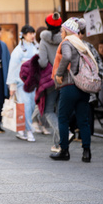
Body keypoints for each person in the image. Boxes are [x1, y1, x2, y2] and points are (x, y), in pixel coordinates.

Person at [50, 17, 96, 162]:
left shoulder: (67, 42)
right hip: (83, 87)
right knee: (83, 120)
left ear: (67, 31)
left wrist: (59, 73)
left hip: (69, 85)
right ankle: (86, 152)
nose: (61, 32)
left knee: (63, 118)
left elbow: (67, 56)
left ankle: (64, 151)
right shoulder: (81, 44)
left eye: (62, 30)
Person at [7, 25, 38, 141]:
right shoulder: (19, 50)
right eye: (30, 33)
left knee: (30, 106)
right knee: (24, 107)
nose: (32, 36)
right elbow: (13, 68)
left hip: (33, 82)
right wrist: (12, 84)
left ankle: (21, 130)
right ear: (24, 35)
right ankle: (29, 131)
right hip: (21, 83)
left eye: (33, 33)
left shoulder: (35, 47)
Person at [77, 19, 103, 135]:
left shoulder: (83, 46)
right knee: (85, 106)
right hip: (86, 82)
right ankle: (85, 133)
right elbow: (99, 63)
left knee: (82, 107)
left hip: (83, 82)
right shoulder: (87, 45)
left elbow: (98, 63)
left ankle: (83, 133)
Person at [38, 13, 63, 152]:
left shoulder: (43, 40)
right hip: (64, 78)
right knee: (60, 112)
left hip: (50, 80)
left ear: (47, 25)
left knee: (48, 110)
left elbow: (42, 62)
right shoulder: (64, 39)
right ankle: (57, 144)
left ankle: (65, 133)